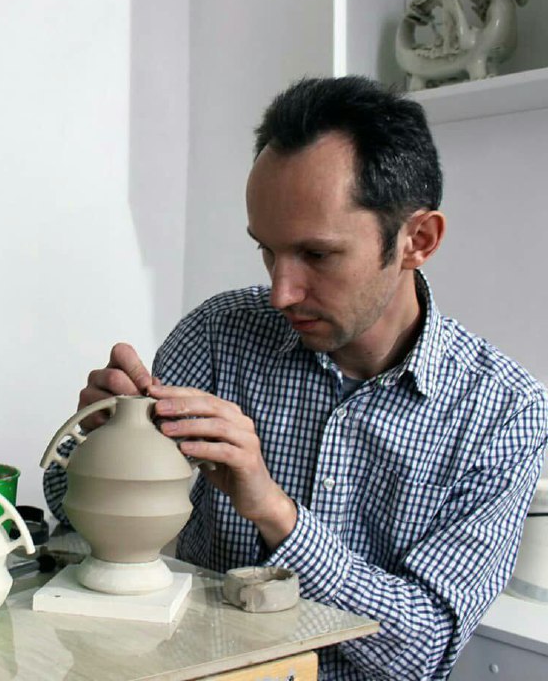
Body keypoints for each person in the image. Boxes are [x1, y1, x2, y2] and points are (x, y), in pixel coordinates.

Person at [43, 76, 548, 680]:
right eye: (267, 250)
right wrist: (96, 440)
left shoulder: (505, 411)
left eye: (317, 255)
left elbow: (424, 650)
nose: (281, 292)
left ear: (418, 240)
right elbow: (76, 520)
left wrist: (274, 511)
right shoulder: (218, 333)